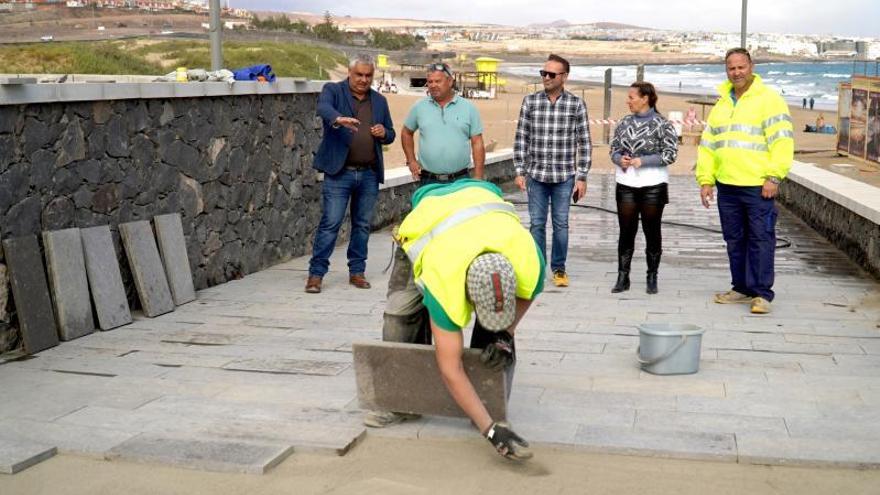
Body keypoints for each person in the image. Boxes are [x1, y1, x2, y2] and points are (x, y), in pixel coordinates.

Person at [369, 179, 544, 461]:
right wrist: (490, 432)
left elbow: (529, 293)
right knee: (399, 315)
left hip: (482, 199)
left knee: (496, 337)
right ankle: (398, 403)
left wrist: (504, 335)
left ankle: (491, 405)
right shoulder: (443, 281)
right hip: (426, 219)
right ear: (465, 292)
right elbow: (450, 368)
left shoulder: (528, 258)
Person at [696, 48, 794, 314]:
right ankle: (741, 288)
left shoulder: (769, 100)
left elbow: (783, 142)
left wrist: (774, 176)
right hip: (727, 185)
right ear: (726, 70)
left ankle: (762, 294)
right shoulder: (722, 103)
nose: (736, 72)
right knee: (734, 239)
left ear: (751, 66)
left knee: (761, 238)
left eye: (741, 67)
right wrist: (706, 180)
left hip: (757, 185)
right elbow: (708, 146)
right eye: (731, 68)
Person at [305, 54, 395, 294]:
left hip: (368, 174)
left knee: (362, 225)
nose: (364, 80)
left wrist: (383, 132)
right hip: (339, 173)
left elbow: (391, 133)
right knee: (330, 224)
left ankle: (357, 272)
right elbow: (322, 108)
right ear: (349, 72)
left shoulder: (379, 100)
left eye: (368, 75)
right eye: (359, 75)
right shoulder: (333, 90)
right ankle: (315, 275)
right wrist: (337, 119)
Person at [514, 53, 592, 288]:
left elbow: (584, 142)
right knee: (536, 223)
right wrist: (519, 170)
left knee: (561, 223)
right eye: (543, 73)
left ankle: (559, 269)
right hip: (536, 175)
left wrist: (582, 177)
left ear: (564, 77)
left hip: (564, 176)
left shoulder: (576, 104)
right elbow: (521, 138)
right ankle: (538, 268)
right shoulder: (530, 102)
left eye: (551, 74)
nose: (545, 77)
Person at [609, 82, 678, 294]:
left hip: (654, 184)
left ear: (645, 98)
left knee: (652, 230)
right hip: (626, 183)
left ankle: (652, 276)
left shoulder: (662, 124)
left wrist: (643, 161)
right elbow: (614, 149)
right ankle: (623, 276)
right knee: (626, 231)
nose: (628, 101)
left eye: (631, 97)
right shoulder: (624, 122)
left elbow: (670, 153)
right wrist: (620, 159)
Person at [402, 63, 485, 185]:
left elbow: (477, 142)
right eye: (430, 82)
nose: (433, 85)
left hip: (460, 179)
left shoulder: (468, 108)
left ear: (450, 81)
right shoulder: (419, 107)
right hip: (428, 180)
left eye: (438, 81)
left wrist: (478, 176)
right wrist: (411, 160)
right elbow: (406, 133)